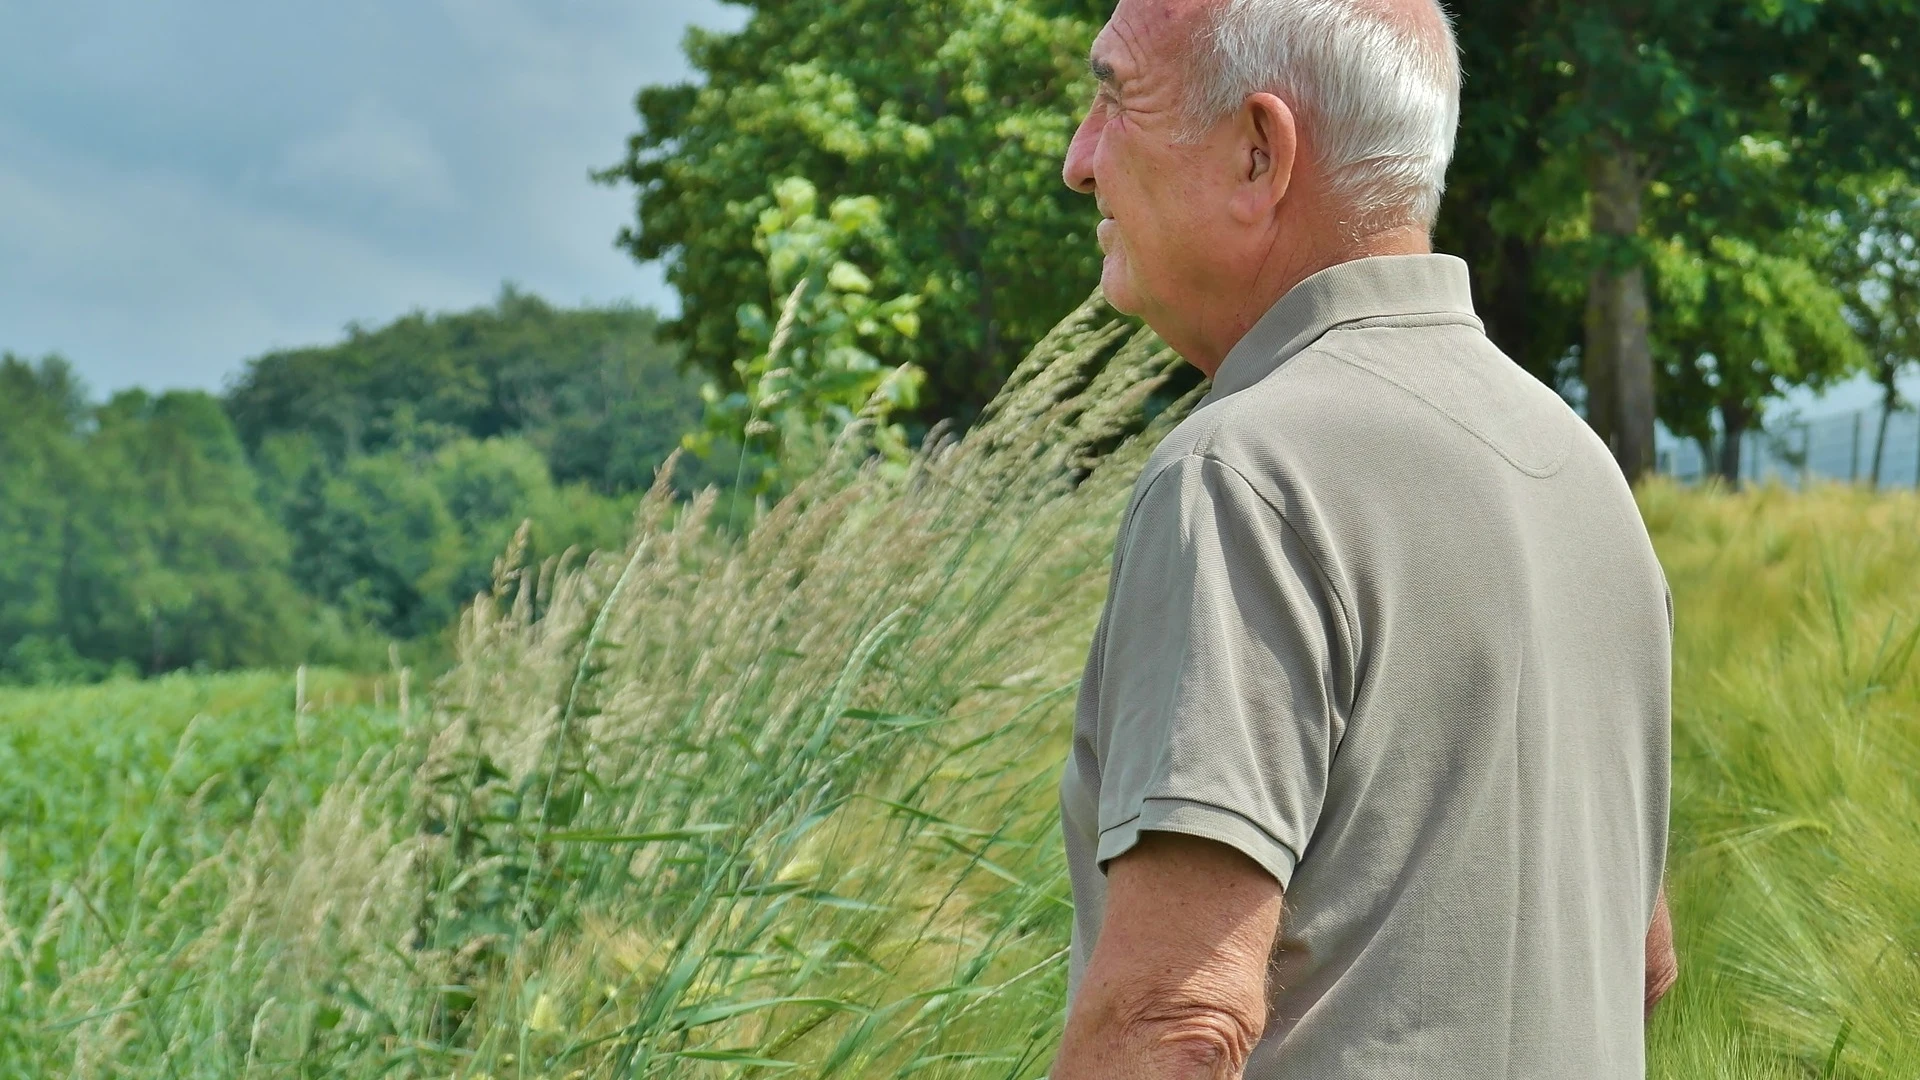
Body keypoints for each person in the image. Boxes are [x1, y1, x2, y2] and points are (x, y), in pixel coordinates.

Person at [1050, 0, 1678, 1076]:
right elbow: (1642, 961)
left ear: (1260, 153)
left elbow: (1175, 1022)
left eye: (1114, 98)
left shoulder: (1241, 474)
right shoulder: (1580, 470)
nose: (1079, 161)